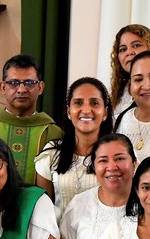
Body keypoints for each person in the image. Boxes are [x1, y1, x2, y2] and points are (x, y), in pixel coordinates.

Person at [0, 55, 63, 186]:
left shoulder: (54, 134)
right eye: (14, 83)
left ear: (40, 87)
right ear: (3, 87)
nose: (21, 90)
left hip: (40, 206)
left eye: (29, 83)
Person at [35, 77, 114, 221]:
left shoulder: (117, 155)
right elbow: (43, 214)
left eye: (94, 103)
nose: (86, 110)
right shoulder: (51, 154)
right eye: (78, 103)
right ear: (69, 111)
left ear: (105, 113)